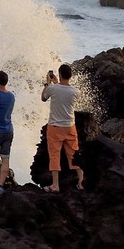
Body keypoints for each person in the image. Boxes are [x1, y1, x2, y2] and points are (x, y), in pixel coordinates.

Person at [42, 62, 82, 192]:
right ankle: (81, 183)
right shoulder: (76, 92)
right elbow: (63, 90)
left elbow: (43, 97)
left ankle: (55, 185)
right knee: (74, 154)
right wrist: (57, 82)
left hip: (55, 127)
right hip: (70, 126)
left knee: (55, 156)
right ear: (70, 76)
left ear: (59, 74)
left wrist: (48, 83)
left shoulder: (53, 89)